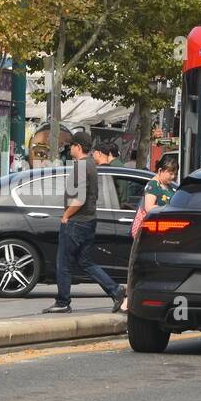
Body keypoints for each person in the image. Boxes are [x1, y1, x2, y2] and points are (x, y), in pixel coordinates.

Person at [42, 131, 125, 315]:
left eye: (71, 145)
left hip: (77, 222)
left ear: (78, 147)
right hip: (89, 220)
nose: (69, 148)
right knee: (85, 262)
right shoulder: (91, 165)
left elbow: (78, 199)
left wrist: (66, 216)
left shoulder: (80, 167)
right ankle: (116, 290)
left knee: (63, 262)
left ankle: (63, 301)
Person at [120, 157, 179, 312]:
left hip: (165, 234)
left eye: (175, 174)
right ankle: (128, 298)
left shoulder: (171, 188)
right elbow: (149, 207)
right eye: (170, 173)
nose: (173, 177)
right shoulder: (153, 186)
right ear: (160, 171)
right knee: (141, 266)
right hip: (151, 233)